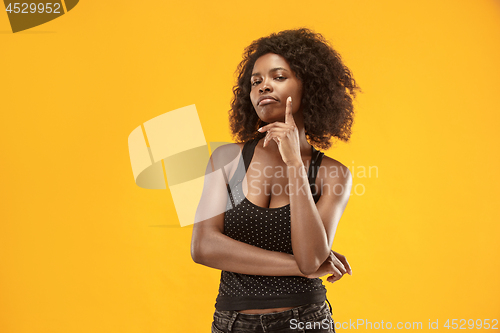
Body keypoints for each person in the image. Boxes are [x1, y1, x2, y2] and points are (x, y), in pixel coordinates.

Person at [191, 27, 360, 332]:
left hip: (306, 321)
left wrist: (295, 165)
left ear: (309, 86)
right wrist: (306, 267)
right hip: (233, 322)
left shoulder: (332, 174)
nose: (263, 86)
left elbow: (311, 259)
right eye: (256, 82)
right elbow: (203, 247)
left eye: (278, 77)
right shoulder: (227, 160)